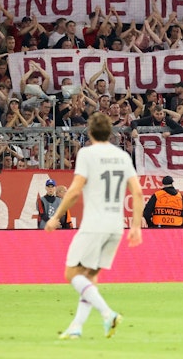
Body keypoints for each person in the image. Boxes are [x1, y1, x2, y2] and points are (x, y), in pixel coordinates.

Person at [45, 112, 144, 339]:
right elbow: (137, 192)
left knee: (71, 273)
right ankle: (77, 328)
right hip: (115, 226)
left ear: (89, 132)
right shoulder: (122, 156)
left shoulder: (87, 154)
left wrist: (55, 216)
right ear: (111, 132)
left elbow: (75, 190)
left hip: (94, 224)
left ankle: (108, 313)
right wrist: (136, 227)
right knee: (89, 278)